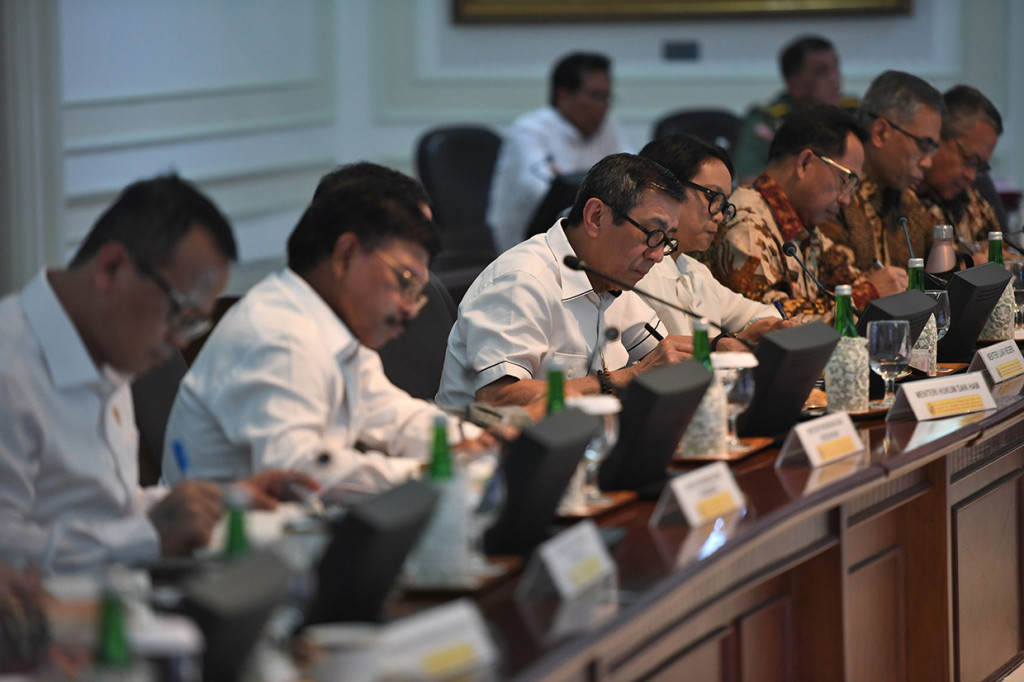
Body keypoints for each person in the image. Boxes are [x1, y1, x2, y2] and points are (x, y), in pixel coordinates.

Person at [0, 176, 314, 573]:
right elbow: (6, 551)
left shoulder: (107, 349)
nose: (180, 341)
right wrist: (148, 538)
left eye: (194, 324)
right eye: (178, 313)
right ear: (111, 267)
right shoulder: (10, 368)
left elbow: (104, 509)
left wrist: (218, 500)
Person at [162, 163, 485, 494]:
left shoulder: (332, 327)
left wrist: (481, 443)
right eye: (404, 282)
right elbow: (302, 473)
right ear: (345, 256)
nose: (408, 307)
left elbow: (394, 416)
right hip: (223, 540)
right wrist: (433, 471)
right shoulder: (281, 336)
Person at [437, 153, 696, 409]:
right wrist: (627, 377)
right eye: (653, 234)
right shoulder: (522, 280)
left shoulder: (609, 278)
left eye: (667, 240)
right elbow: (498, 397)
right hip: (486, 447)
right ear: (596, 217)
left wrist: (723, 348)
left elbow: (663, 353)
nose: (659, 255)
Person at [709, 106, 906, 317]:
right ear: (804, 163)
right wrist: (867, 295)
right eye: (844, 181)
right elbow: (774, 324)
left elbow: (853, 281)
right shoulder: (747, 225)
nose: (845, 199)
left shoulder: (802, 225)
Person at [636, 134, 792, 344]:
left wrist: (763, 327)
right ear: (663, 188)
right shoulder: (635, 268)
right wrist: (730, 341)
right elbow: (655, 355)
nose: (719, 215)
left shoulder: (694, 270)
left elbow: (762, 313)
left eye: (724, 203)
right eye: (712, 196)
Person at [817, 70, 945, 302]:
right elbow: (832, 298)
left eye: (933, 149)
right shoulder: (834, 197)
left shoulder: (908, 199)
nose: (928, 162)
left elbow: (942, 280)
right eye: (923, 145)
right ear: (880, 133)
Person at [486, 52, 631, 254]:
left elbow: (634, 179)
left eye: (607, 97)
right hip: (525, 247)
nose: (603, 106)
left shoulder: (607, 128)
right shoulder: (529, 131)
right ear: (563, 96)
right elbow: (542, 194)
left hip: (584, 240)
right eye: (596, 96)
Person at [732, 35, 858, 185]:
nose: (834, 78)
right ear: (794, 85)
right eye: (821, 72)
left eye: (835, 67)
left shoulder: (854, 112)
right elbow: (751, 182)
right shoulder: (768, 121)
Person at [908, 85, 1004, 265]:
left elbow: (1003, 252)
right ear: (937, 137)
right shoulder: (900, 199)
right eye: (970, 160)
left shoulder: (970, 199)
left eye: (980, 167)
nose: (972, 176)